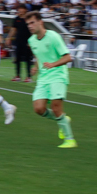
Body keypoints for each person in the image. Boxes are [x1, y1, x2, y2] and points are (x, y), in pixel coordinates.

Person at [25, 12, 76, 148]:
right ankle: (63, 120)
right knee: (39, 109)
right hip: (43, 77)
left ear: (40, 22)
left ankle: (70, 139)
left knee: (56, 106)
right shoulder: (32, 40)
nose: (30, 26)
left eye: (32, 23)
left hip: (58, 75)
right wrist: (36, 66)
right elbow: (38, 55)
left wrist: (53, 64)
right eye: (28, 24)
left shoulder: (53, 37)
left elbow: (67, 57)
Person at [7, 5, 34, 82]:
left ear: (25, 10)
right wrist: (9, 38)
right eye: (19, 9)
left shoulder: (29, 19)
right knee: (17, 59)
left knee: (28, 59)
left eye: (21, 9)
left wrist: (32, 41)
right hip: (18, 41)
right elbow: (13, 29)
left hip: (27, 42)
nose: (20, 11)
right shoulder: (17, 19)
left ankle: (29, 77)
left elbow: (33, 31)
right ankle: (17, 76)